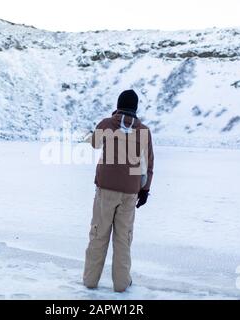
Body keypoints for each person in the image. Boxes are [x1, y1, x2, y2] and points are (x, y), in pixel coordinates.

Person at [83, 89, 154, 292]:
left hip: (105, 189)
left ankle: (90, 280)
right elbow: (148, 163)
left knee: (98, 235)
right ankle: (122, 284)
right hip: (130, 192)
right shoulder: (144, 131)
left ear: (118, 105)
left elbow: (94, 144)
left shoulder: (107, 123)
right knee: (123, 238)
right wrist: (145, 190)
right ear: (135, 108)